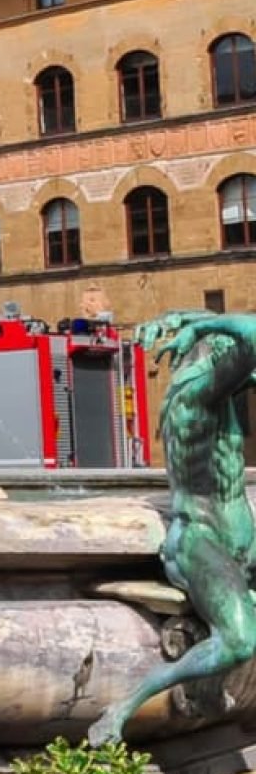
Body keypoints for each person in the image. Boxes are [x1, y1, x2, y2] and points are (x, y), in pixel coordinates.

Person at [88, 312, 256, 745]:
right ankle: (123, 706)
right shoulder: (197, 400)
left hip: (236, 542)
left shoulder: (212, 390)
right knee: (240, 643)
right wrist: (202, 327)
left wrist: (187, 318)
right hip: (202, 540)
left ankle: (214, 684)